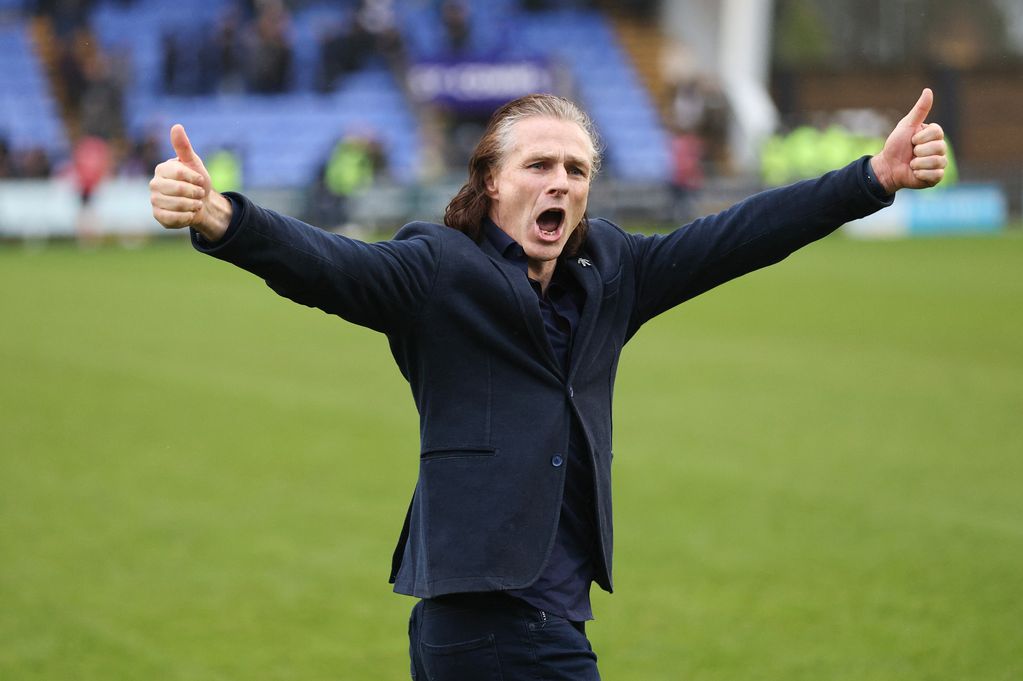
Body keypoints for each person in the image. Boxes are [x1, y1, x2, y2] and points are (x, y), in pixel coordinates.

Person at [149, 90, 946, 680]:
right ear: (492, 183)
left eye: (575, 168)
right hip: (487, 617)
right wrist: (226, 220)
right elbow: (331, 267)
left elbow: (734, 238)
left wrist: (869, 179)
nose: (559, 181)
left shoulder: (612, 273)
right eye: (538, 165)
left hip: (538, 614)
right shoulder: (438, 269)